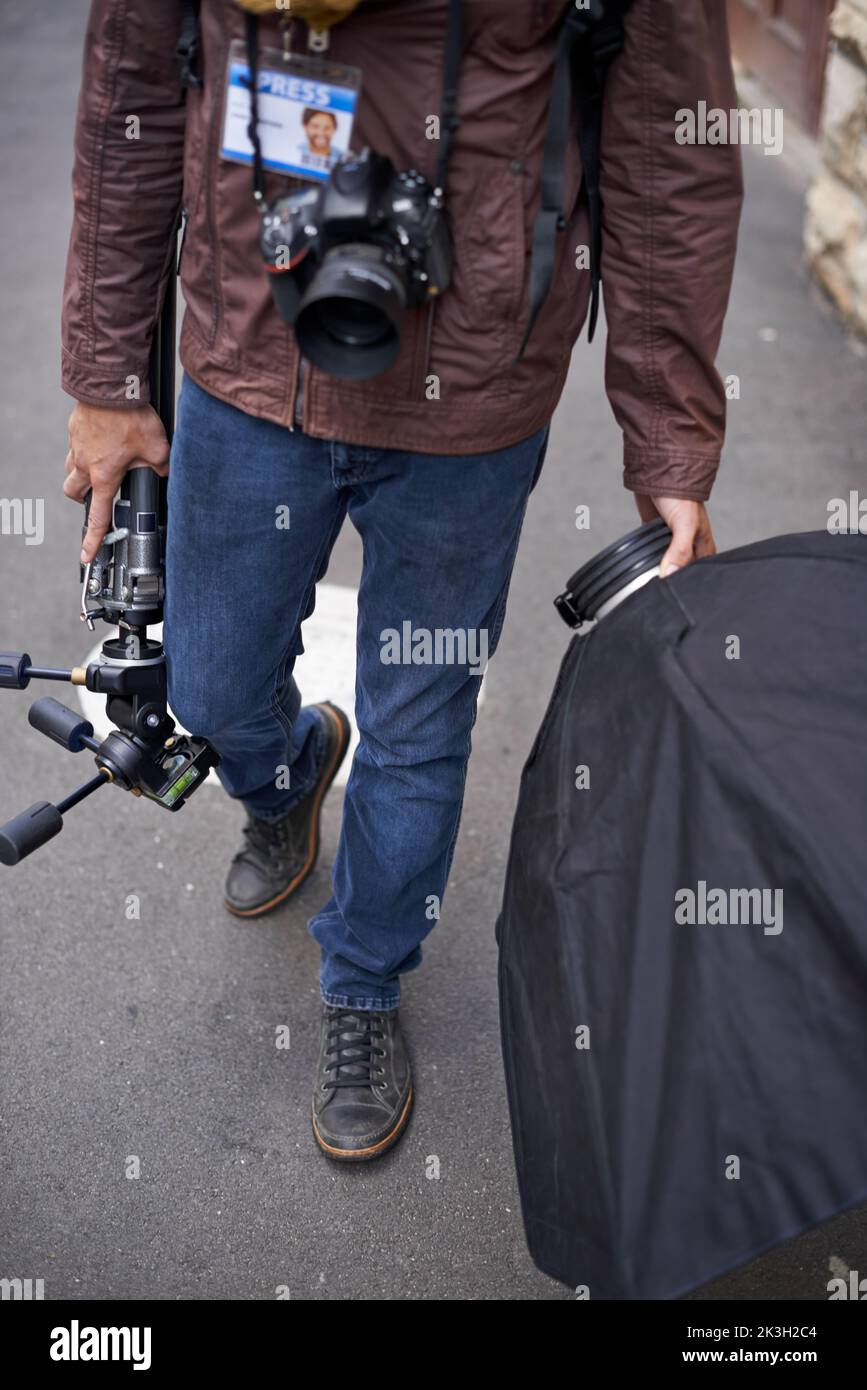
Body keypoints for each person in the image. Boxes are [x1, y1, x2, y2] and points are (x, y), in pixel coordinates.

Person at [61, 0, 742, 1162]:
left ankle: (366, 981)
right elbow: (130, 80)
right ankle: (286, 781)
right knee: (215, 689)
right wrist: (109, 374)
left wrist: (669, 440)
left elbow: (667, 141)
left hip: (477, 386)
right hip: (246, 356)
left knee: (421, 731)